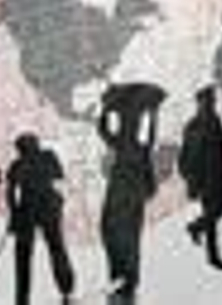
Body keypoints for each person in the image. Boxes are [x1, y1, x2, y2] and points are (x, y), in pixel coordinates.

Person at [97, 82, 166, 298]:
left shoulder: (124, 141)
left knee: (115, 231)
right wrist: (153, 115)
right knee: (127, 234)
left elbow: (102, 129)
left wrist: (106, 109)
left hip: (124, 187)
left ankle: (123, 280)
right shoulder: (137, 142)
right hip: (134, 188)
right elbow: (104, 130)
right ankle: (126, 282)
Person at [6, 133, 75, 305]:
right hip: (49, 208)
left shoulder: (17, 165)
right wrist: (59, 201)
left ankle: (22, 300)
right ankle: (67, 291)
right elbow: (60, 178)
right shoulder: (49, 156)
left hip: (28, 211)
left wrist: (14, 216)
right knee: (57, 249)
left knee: (23, 256)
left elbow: (10, 194)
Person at [180, 86, 222, 270]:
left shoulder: (205, 122)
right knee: (218, 210)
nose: (212, 103)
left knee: (216, 212)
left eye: (212, 101)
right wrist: (192, 180)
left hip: (211, 177)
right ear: (201, 102)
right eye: (209, 100)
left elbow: (219, 151)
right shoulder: (199, 125)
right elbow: (185, 157)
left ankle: (200, 233)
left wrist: (191, 179)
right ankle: (201, 236)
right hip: (207, 179)